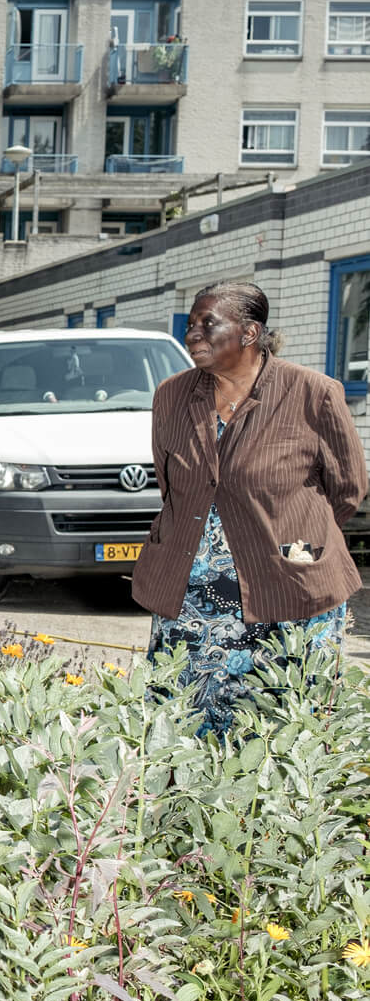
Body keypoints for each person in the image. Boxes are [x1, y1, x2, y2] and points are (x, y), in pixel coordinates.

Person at [133, 281, 367, 734]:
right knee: (182, 729)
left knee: (284, 730)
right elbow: (173, 486)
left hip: (288, 590)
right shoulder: (172, 396)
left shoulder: (312, 393)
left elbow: (348, 488)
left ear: (249, 333)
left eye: (208, 324)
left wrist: (290, 540)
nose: (193, 335)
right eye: (190, 325)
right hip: (192, 601)